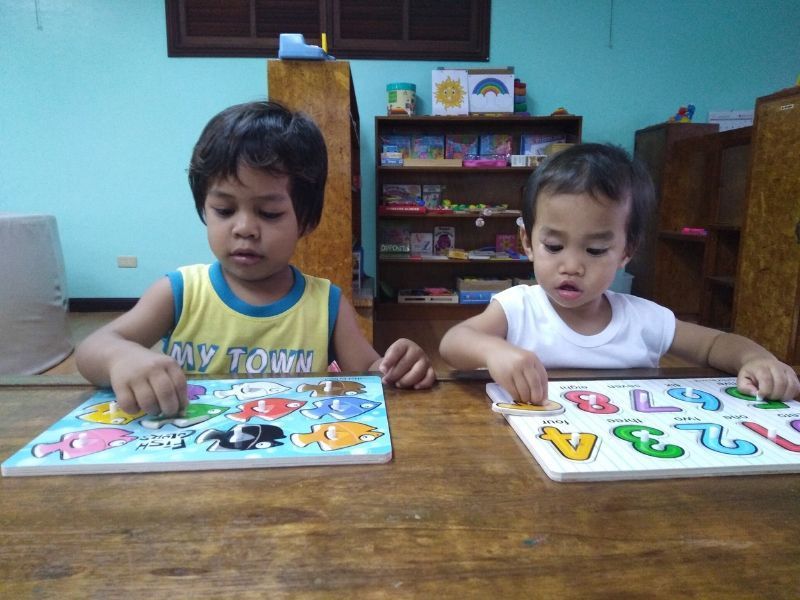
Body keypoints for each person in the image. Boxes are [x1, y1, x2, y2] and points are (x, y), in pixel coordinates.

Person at [77, 100, 435, 417]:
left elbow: (371, 373)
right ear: (204, 207)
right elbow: (93, 348)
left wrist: (399, 368)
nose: (244, 228)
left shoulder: (326, 303)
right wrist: (122, 358)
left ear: (306, 221)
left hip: (294, 457)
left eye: (269, 213)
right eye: (224, 209)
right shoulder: (179, 292)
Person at [439, 143, 799, 404]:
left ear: (627, 251)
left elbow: (716, 344)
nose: (572, 265)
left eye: (595, 250)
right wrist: (493, 351)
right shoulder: (518, 307)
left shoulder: (641, 318)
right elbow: (453, 343)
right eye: (554, 246)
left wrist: (756, 360)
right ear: (527, 241)